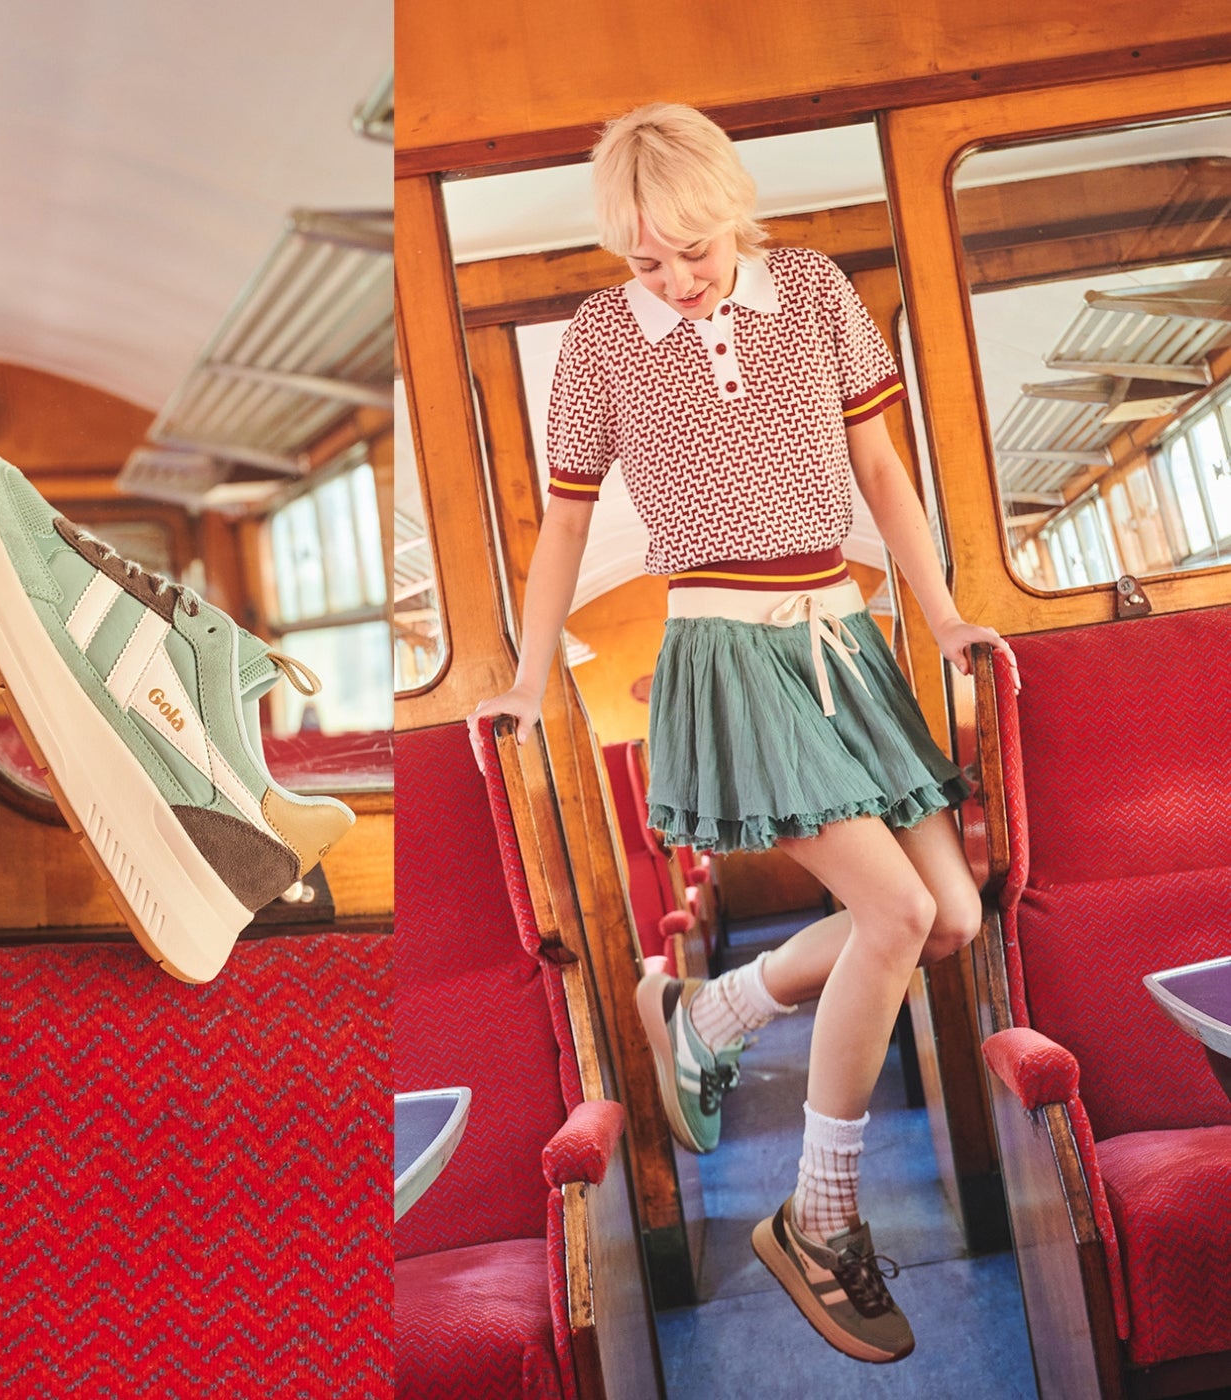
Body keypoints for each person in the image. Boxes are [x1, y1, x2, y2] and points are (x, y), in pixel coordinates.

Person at [469, 102, 1016, 1364]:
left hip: (843, 637)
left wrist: (939, 613)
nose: (674, 279)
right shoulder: (601, 339)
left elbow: (881, 470)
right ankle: (819, 1214)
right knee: (893, 912)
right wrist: (526, 676)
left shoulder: (813, 289)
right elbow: (562, 526)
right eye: (645, 260)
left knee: (949, 915)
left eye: (693, 251)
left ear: (735, 214)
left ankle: (714, 1012)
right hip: (728, 649)